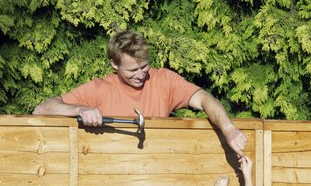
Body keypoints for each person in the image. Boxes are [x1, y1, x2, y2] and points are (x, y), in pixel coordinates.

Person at [33, 29, 247, 157]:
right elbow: (41, 109)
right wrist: (81, 109)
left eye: (144, 67)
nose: (141, 75)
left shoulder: (164, 80)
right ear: (114, 64)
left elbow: (205, 99)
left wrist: (229, 129)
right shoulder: (99, 88)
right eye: (133, 70)